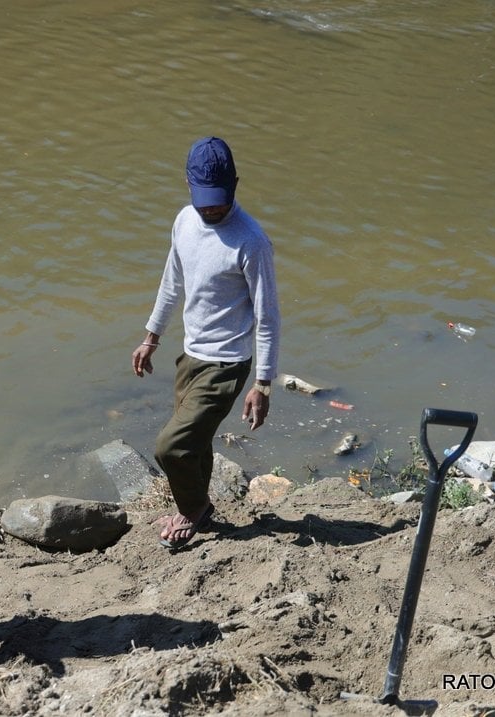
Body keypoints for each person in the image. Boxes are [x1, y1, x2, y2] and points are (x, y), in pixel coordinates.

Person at [132, 137, 281, 550]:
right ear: (187, 184)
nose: (212, 208)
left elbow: (268, 317)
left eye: (220, 199)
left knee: (170, 447)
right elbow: (171, 283)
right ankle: (202, 505)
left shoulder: (251, 241)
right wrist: (152, 337)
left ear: (235, 184)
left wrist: (263, 383)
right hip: (191, 355)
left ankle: (192, 508)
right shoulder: (184, 222)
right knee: (194, 443)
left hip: (228, 363)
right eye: (204, 199)